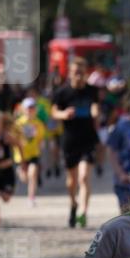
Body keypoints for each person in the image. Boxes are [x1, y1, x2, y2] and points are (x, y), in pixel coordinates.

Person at [52, 58, 99, 228]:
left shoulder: (91, 91)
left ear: (85, 73)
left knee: (84, 177)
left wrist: (95, 112)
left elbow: (95, 106)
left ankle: (83, 212)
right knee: (71, 181)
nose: (78, 76)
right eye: (75, 72)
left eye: (81, 72)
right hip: (70, 140)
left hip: (88, 138)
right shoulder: (62, 92)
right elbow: (54, 112)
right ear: (70, 73)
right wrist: (64, 114)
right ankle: (73, 204)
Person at [13, 96, 46, 206]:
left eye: (32, 108)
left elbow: (41, 139)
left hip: (33, 153)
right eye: (28, 108)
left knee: (33, 174)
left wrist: (41, 145)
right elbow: (14, 138)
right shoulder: (18, 123)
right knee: (24, 178)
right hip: (21, 155)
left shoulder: (39, 123)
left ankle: (31, 198)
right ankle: (19, 171)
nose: (30, 110)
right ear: (23, 110)